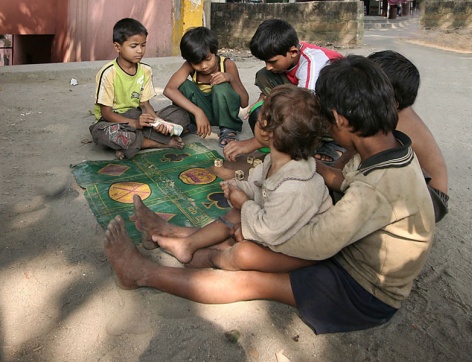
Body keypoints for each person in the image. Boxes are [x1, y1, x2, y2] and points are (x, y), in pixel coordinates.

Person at [104, 55, 435, 334]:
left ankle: (142, 273)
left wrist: (250, 225)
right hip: (347, 252)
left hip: (362, 291)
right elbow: (348, 183)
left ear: (340, 120)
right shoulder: (388, 149)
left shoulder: (377, 188)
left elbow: (320, 241)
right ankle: (175, 236)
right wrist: (312, 175)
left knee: (249, 273)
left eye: (327, 125)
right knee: (245, 239)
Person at [148, 84, 332, 270]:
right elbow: (257, 186)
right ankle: (186, 243)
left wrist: (244, 203)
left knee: (243, 245)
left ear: (266, 128)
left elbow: (269, 231)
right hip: (278, 227)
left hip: (297, 248)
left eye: (263, 108)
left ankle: (193, 252)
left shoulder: (296, 187)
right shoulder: (275, 161)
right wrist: (237, 187)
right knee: (236, 216)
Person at [330, 50, 449, 222]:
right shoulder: (393, 111)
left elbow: (357, 156)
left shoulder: (391, 123)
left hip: (432, 198)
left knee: (353, 190)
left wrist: (331, 173)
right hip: (423, 187)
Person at [223, 18, 343, 164]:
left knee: (301, 123)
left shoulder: (312, 65)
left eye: (272, 62)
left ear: (292, 52)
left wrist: (255, 142)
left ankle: (333, 143)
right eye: (265, 61)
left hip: (336, 109)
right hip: (306, 96)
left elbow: (304, 109)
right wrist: (265, 97)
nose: (268, 66)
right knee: (264, 76)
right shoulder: (289, 52)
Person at [90, 18, 188, 160]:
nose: (140, 51)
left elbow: (145, 105)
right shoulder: (108, 73)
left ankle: (131, 144)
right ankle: (157, 143)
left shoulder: (145, 70)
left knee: (181, 114)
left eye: (143, 45)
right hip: (115, 121)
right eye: (134, 46)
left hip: (138, 117)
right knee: (101, 133)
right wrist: (135, 124)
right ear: (117, 47)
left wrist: (159, 123)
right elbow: (106, 113)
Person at [163, 26, 249, 148]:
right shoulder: (189, 66)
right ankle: (190, 123)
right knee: (183, 85)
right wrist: (198, 113)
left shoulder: (227, 64)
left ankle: (228, 129)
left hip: (223, 114)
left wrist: (231, 79)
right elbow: (169, 89)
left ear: (215, 52)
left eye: (208, 59)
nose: (203, 66)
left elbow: (244, 102)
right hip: (201, 114)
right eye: (197, 62)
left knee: (221, 87)